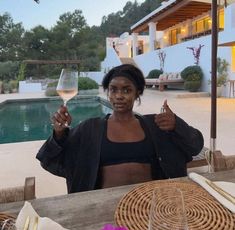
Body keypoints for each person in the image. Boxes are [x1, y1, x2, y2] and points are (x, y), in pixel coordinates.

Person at [36, 64, 204, 194]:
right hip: (103, 206)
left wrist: (177, 125)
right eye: (113, 89)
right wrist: (59, 134)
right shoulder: (89, 129)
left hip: (153, 202)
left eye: (127, 90)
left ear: (137, 93)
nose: (119, 96)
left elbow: (195, 146)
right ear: (108, 92)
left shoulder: (156, 124)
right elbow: (49, 160)